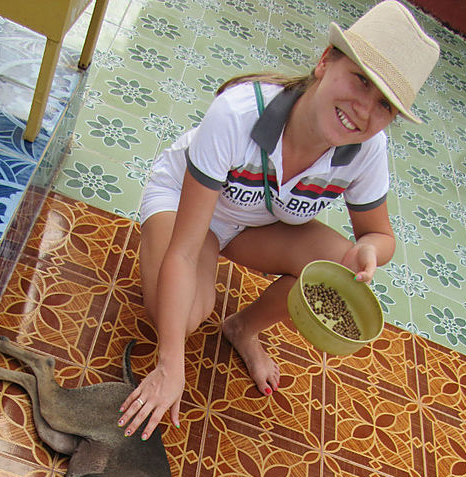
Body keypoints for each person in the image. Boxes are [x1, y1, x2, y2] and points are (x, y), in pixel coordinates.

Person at [117, 0, 439, 440]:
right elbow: (186, 248)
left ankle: (243, 328)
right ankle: (155, 255)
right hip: (187, 206)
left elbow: (379, 236)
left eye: (384, 106)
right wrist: (170, 364)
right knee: (184, 317)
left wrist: (369, 251)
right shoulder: (237, 115)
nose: (364, 110)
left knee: (341, 265)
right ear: (326, 62)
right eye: (360, 80)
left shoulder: (367, 151)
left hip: (255, 224)